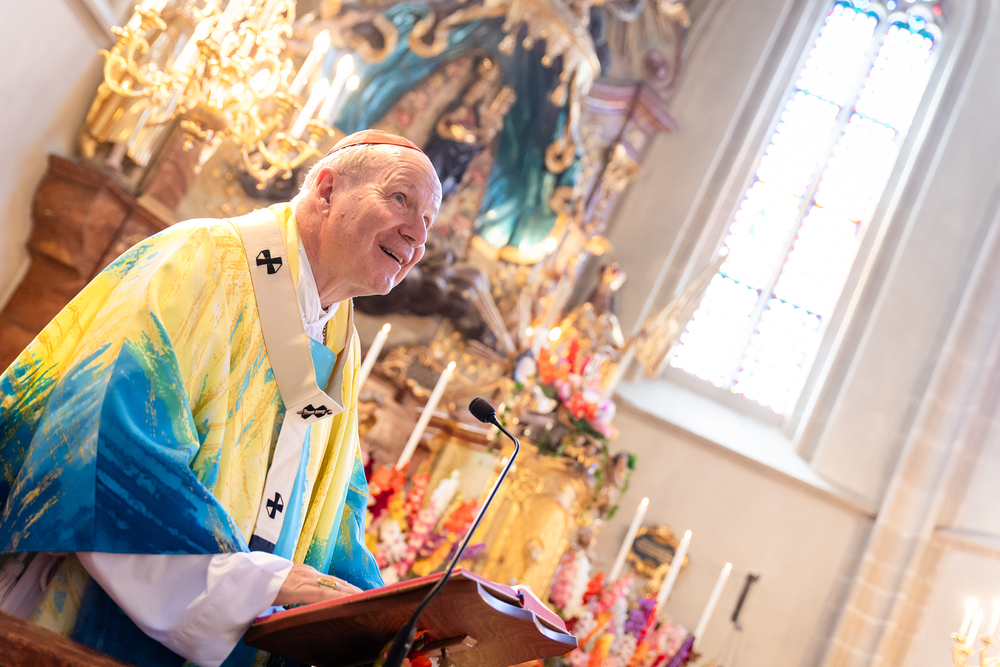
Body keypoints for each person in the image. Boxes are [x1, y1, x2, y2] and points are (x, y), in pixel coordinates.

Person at [0, 129, 443, 667]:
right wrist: (259, 581)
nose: (417, 235)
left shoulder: (338, 341)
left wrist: (391, 625)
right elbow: (104, 433)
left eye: (429, 222)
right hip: (86, 614)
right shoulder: (200, 259)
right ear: (327, 191)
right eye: (400, 199)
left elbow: (336, 514)